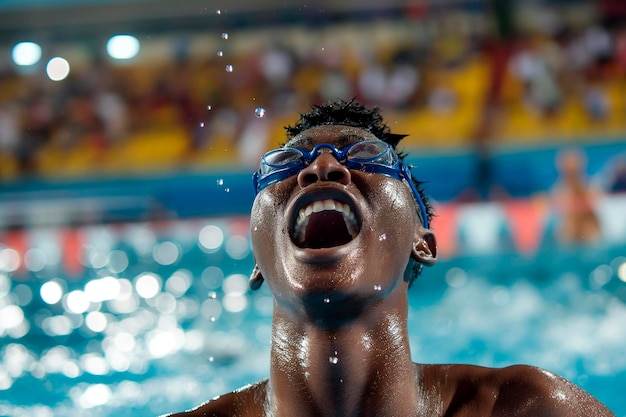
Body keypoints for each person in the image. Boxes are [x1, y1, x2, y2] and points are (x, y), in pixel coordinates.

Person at [166, 100, 614, 417]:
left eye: (365, 154)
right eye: (285, 162)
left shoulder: (528, 409)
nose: (321, 166)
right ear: (257, 261)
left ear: (423, 242)